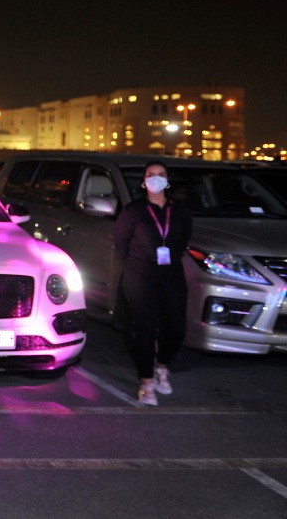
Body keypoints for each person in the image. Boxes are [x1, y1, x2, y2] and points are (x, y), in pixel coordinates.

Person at [114, 159, 192, 407]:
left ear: (167, 181)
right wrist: (135, 265)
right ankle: (147, 383)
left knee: (176, 329)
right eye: (151, 174)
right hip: (140, 272)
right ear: (144, 180)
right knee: (144, 329)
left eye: (161, 174)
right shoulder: (133, 211)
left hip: (171, 272)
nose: (155, 178)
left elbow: (184, 239)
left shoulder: (180, 210)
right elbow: (121, 244)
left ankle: (162, 366)